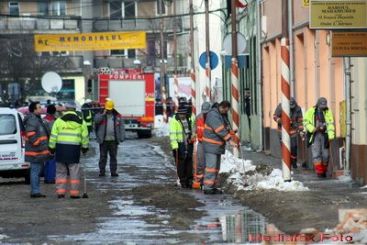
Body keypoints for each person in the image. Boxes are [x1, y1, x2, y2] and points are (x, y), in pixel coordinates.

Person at [48, 103, 89, 198]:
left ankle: (60, 192)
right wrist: (85, 147)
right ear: (75, 110)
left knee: (60, 172)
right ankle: (74, 193)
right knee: (74, 172)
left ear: (65, 109)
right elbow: (85, 137)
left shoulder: (58, 121)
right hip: (74, 149)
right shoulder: (81, 122)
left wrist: (51, 148)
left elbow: (53, 136)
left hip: (61, 149)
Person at [202, 101, 238, 194]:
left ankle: (212, 186)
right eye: (226, 110)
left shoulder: (220, 115)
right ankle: (208, 188)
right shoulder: (213, 115)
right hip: (211, 145)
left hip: (216, 146)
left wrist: (230, 131)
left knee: (216, 168)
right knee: (211, 167)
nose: (227, 112)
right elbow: (219, 129)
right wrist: (230, 140)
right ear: (222, 107)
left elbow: (224, 127)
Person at [23, 101, 51, 198]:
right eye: (39, 107)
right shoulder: (32, 120)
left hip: (38, 151)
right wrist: (37, 143)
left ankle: (35, 190)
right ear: (34, 109)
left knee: (37, 171)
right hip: (35, 151)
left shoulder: (37, 119)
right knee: (35, 171)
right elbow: (31, 134)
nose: (41, 109)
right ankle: (35, 191)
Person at [304, 97, 335, 178]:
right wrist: (312, 128)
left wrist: (331, 135)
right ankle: (319, 172)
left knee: (326, 155)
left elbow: (330, 123)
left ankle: (324, 170)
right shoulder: (311, 111)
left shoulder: (328, 111)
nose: (323, 107)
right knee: (316, 154)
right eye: (321, 105)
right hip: (314, 135)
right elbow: (306, 122)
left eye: (324, 106)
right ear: (318, 104)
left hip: (325, 135)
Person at [94, 100, 125, 177]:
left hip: (114, 141)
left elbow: (121, 127)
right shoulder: (100, 114)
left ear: (112, 108)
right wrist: (103, 115)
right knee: (103, 157)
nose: (108, 110)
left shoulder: (117, 116)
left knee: (113, 157)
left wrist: (122, 137)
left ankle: (113, 172)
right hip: (103, 140)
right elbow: (96, 121)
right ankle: (102, 172)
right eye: (107, 109)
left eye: (110, 109)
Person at [273, 97, 303, 168]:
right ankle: (287, 162)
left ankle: (294, 161)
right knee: (284, 147)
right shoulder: (280, 107)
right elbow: (275, 116)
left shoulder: (298, 108)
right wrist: (281, 121)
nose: (292, 108)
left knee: (294, 147)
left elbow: (300, 120)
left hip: (293, 130)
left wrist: (301, 129)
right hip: (282, 131)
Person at [169, 104, 195, 188]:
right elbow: (172, 135)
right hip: (179, 144)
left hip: (189, 143)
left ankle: (189, 180)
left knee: (189, 162)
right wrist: (175, 146)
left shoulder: (190, 119)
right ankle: (183, 180)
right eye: (181, 114)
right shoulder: (174, 121)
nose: (182, 115)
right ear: (178, 113)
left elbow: (193, 129)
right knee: (181, 163)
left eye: (184, 114)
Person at [192, 102, 211, 189]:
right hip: (201, 142)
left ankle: (208, 182)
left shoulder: (213, 118)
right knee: (200, 162)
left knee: (209, 164)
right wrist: (193, 133)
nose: (205, 114)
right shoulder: (198, 117)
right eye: (204, 112)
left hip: (210, 143)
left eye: (207, 112)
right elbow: (195, 127)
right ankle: (199, 181)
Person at [43, 104, 57, 184]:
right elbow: (53, 133)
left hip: (43, 143)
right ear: (54, 112)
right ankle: (50, 178)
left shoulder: (43, 119)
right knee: (51, 161)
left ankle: (46, 177)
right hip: (51, 143)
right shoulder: (53, 121)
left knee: (46, 161)